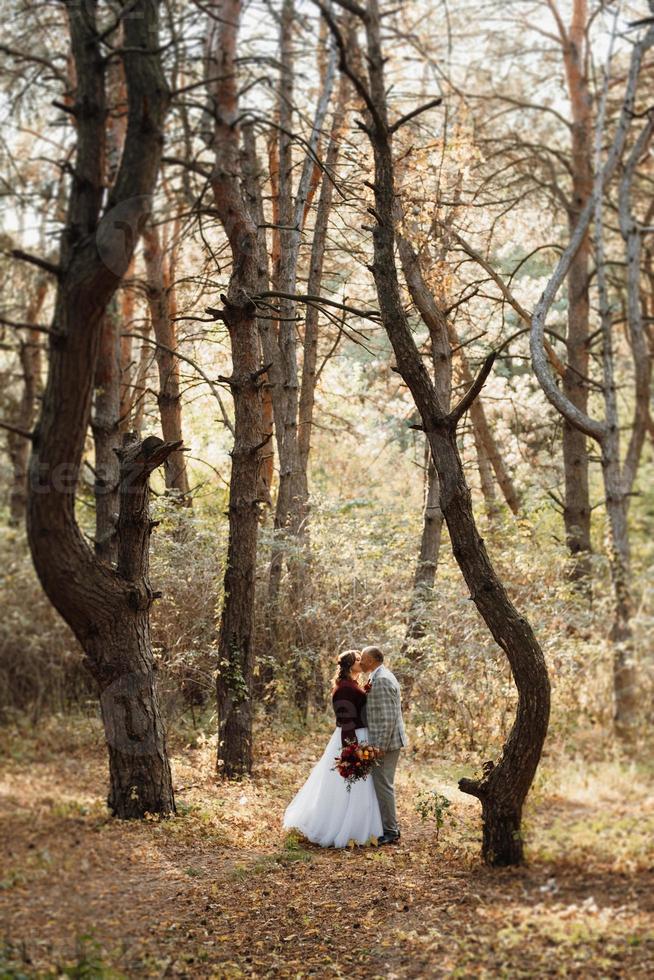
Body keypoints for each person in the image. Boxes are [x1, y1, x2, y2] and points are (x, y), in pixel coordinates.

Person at [282, 650, 383, 848]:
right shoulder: (344, 688)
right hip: (352, 738)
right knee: (350, 785)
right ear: (349, 665)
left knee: (360, 786)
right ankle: (346, 827)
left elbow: (359, 703)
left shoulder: (352, 684)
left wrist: (367, 691)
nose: (361, 662)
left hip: (360, 735)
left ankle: (360, 826)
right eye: (358, 660)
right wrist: (351, 750)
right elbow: (346, 720)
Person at [359, 645, 407, 845]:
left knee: (384, 785)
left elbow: (387, 719)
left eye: (362, 658)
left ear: (371, 660)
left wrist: (379, 747)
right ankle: (387, 826)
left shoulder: (383, 680)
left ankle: (390, 831)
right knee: (381, 785)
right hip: (383, 741)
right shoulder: (377, 677)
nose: (360, 662)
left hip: (385, 744)